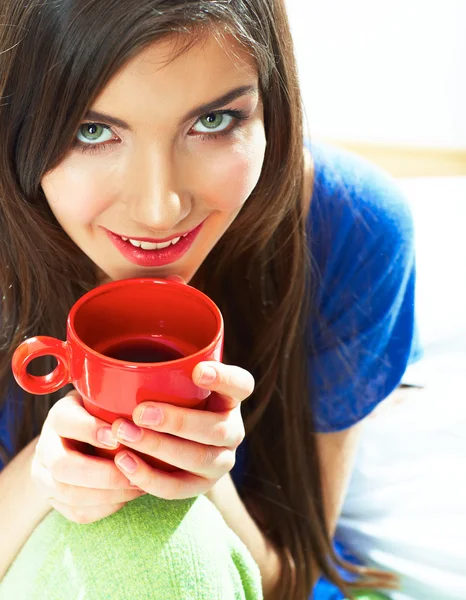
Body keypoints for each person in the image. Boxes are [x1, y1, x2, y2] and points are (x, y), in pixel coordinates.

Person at [0, 1, 419, 599]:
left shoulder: (348, 226)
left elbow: (291, 576)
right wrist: (43, 473)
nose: (158, 209)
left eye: (215, 121)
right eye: (90, 131)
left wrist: (201, 475)